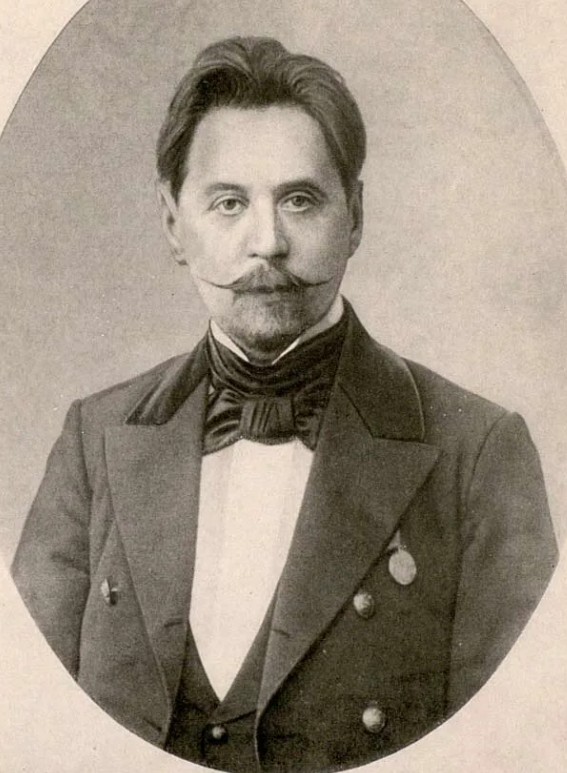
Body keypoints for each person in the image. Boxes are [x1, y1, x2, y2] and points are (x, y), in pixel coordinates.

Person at [12, 36, 558, 773]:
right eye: (228, 203)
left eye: (300, 200)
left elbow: (512, 745)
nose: (267, 242)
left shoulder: (477, 454)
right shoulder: (96, 438)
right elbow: (24, 716)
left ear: (354, 215)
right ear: (173, 223)